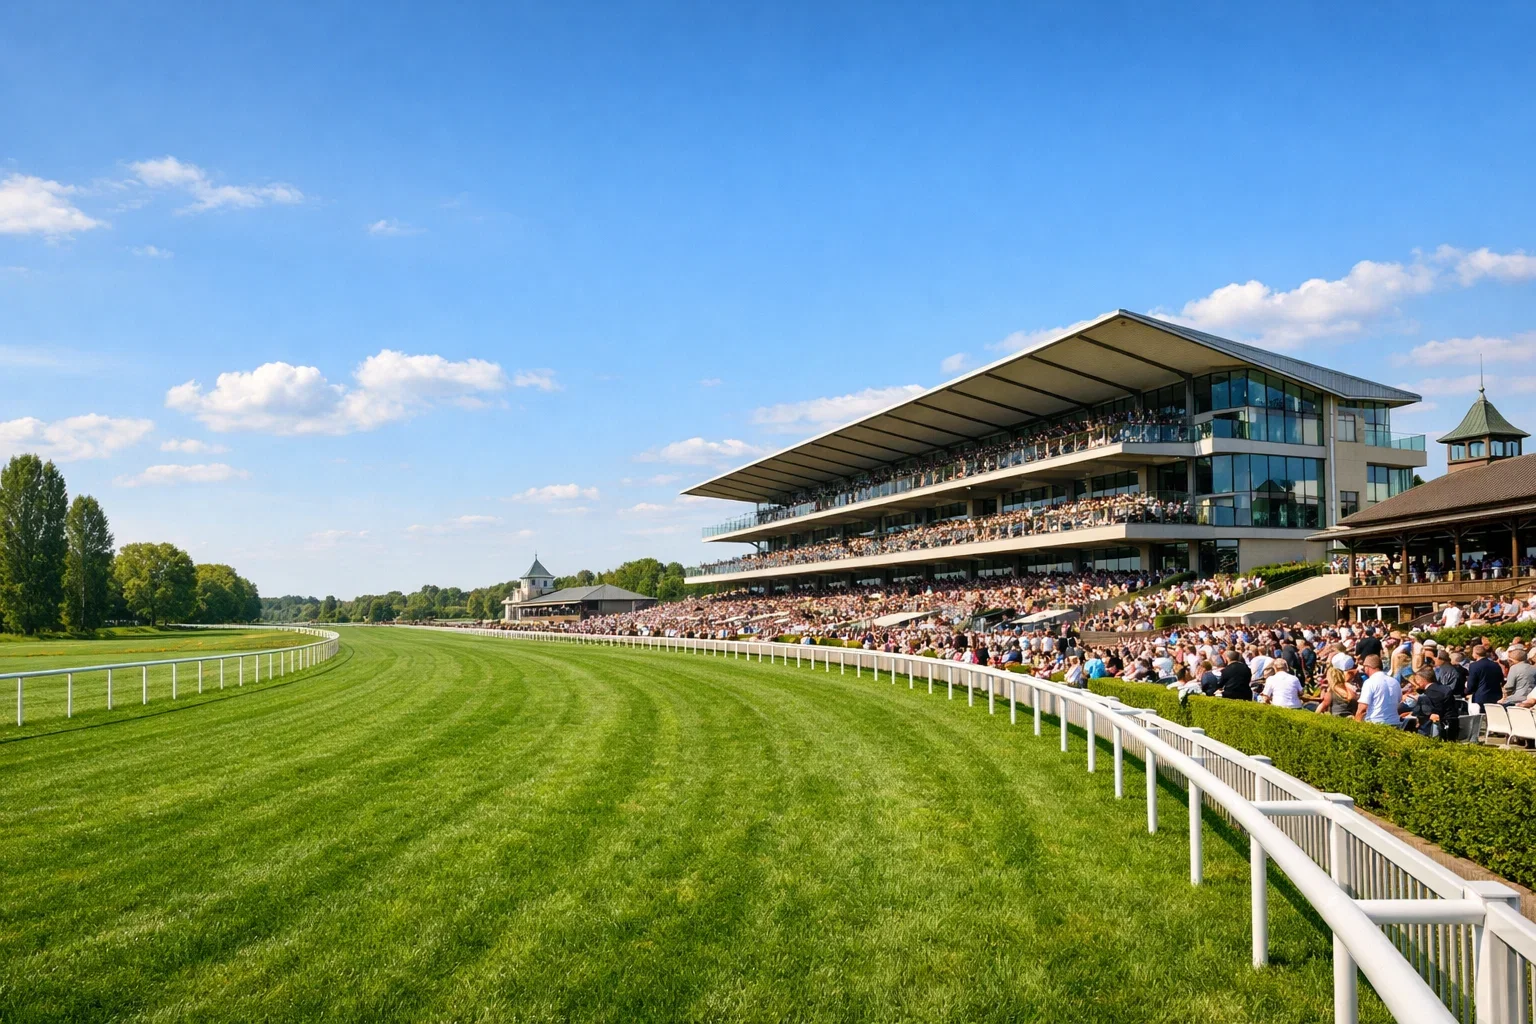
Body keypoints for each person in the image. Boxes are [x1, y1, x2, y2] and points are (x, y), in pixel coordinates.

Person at [1412, 665, 1460, 740]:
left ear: (1422, 680)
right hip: (1453, 725)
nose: (1415, 682)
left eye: (1416, 680)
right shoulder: (1445, 689)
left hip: (1436, 730)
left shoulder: (1428, 694)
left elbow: (1428, 713)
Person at [1355, 654, 1403, 725]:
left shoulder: (1370, 682)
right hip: (1395, 722)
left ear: (1368, 667)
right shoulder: (1395, 682)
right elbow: (1399, 700)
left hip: (1376, 723)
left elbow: (1362, 708)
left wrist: (1356, 724)